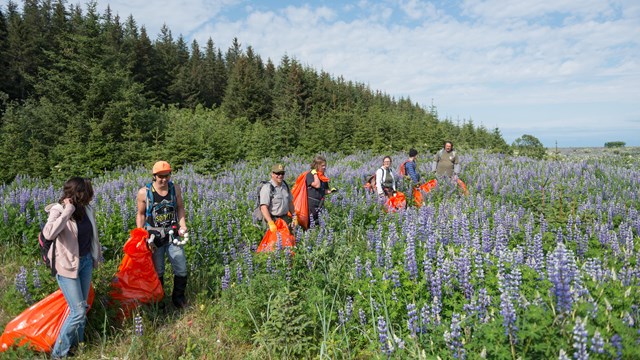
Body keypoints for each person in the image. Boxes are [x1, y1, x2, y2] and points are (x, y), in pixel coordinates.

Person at [43, 177, 102, 359]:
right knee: (77, 311)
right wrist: (67, 211)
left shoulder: (87, 209)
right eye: (86, 192)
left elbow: (93, 235)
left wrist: (96, 255)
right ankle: (58, 354)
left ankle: (79, 345)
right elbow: (49, 233)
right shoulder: (58, 209)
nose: (89, 197)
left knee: (82, 308)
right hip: (66, 266)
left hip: (85, 263)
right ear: (76, 193)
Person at [136, 161, 188, 309]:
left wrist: (182, 225)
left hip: (173, 236)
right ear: (154, 176)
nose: (164, 179)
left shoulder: (175, 188)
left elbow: (180, 208)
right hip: (154, 238)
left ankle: (178, 298)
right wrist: (141, 235)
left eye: (167, 175)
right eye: (161, 176)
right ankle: (159, 301)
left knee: (181, 267)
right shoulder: (144, 192)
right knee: (158, 271)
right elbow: (140, 215)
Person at [259, 163, 297, 232]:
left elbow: (290, 203)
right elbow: (263, 207)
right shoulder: (267, 187)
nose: (280, 176)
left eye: (282, 173)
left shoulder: (285, 185)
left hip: (285, 219)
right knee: (274, 242)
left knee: (287, 241)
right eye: (277, 173)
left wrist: (294, 216)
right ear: (272, 174)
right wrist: (270, 223)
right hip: (273, 220)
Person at [306, 155, 335, 224]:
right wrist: (315, 174)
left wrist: (331, 191)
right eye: (322, 165)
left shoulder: (322, 176)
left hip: (320, 203)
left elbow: (324, 191)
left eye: (325, 165)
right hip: (311, 204)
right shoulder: (310, 175)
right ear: (317, 166)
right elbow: (317, 185)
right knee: (310, 223)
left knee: (318, 223)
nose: (324, 167)